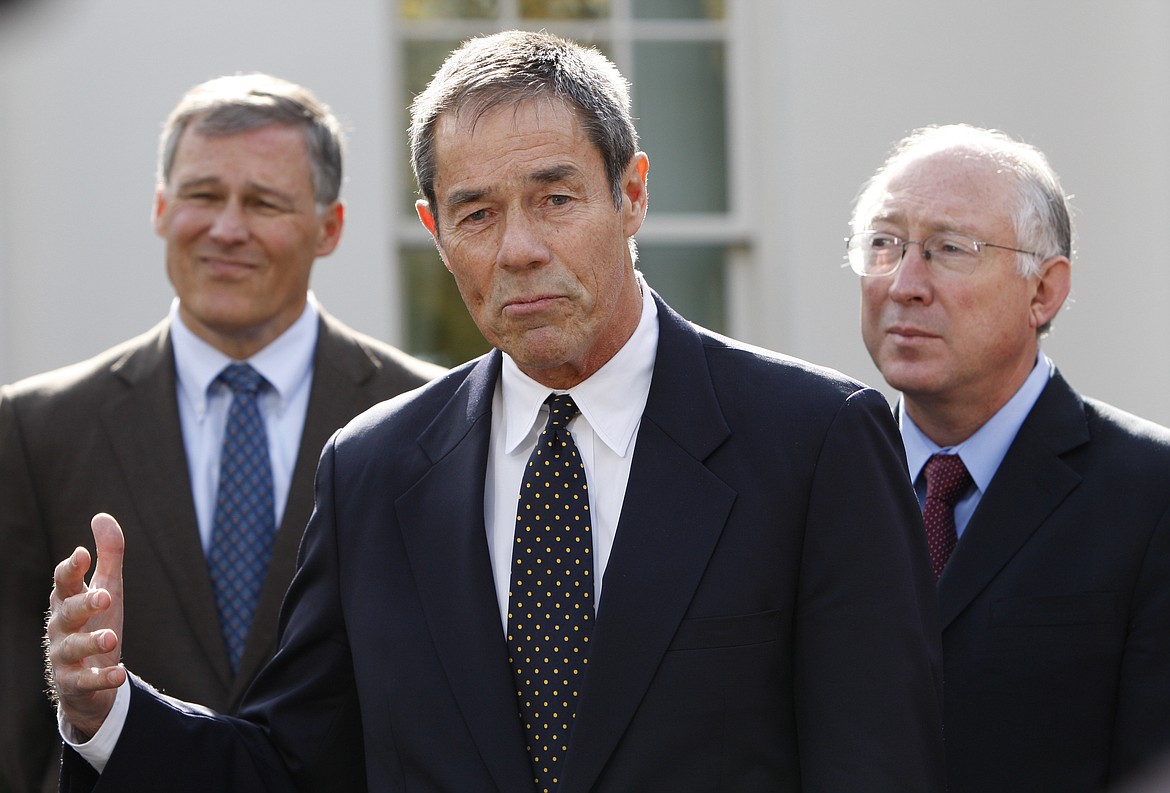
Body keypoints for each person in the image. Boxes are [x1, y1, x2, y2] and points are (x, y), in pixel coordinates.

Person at [45, 31, 946, 792]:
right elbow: (291, 765)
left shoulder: (817, 440)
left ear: (631, 195)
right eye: (477, 214)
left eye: (555, 199)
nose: (519, 249)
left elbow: (877, 764)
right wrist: (107, 712)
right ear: (437, 233)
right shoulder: (373, 469)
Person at [0, 73, 445, 793]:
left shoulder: (433, 417)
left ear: (330, 228)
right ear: (160, 207)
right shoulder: (32, 428)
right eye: (203, 195)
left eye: (264, 201)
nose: (227, 227)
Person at [848, 123, 1170, 792]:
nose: (905, 282)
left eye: (948, 249)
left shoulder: (1150, 493)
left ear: (1044, 291)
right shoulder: (818, 479)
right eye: (884, 244)